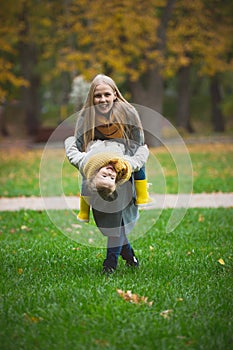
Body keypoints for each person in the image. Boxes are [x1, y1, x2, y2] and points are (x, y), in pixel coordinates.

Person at [66, 74, 150, 274]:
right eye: (97, 96)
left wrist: (124, 166)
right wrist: (90, 164)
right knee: (111, 221)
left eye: (106, 94)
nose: (102, 99)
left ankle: (110, 264)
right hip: (98, 173)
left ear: (115, 94)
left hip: (122, 170)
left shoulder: (129, 114)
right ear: (92, 98)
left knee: (118, 219)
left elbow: (138, 145)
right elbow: (77, 147)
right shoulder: (86, 118)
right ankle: (129, 255)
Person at [65, 137, 150, 219]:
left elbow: (72, 155)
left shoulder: (85, 163)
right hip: (118, 140)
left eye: (104, 176)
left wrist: (70, 140)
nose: (110, 173)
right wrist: (143, 149)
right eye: (112, 178)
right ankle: (142, 196)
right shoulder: (123, 166)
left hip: (95, 140)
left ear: (94, 175)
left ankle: (84, 212)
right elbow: (138, 161)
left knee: (85, 178)